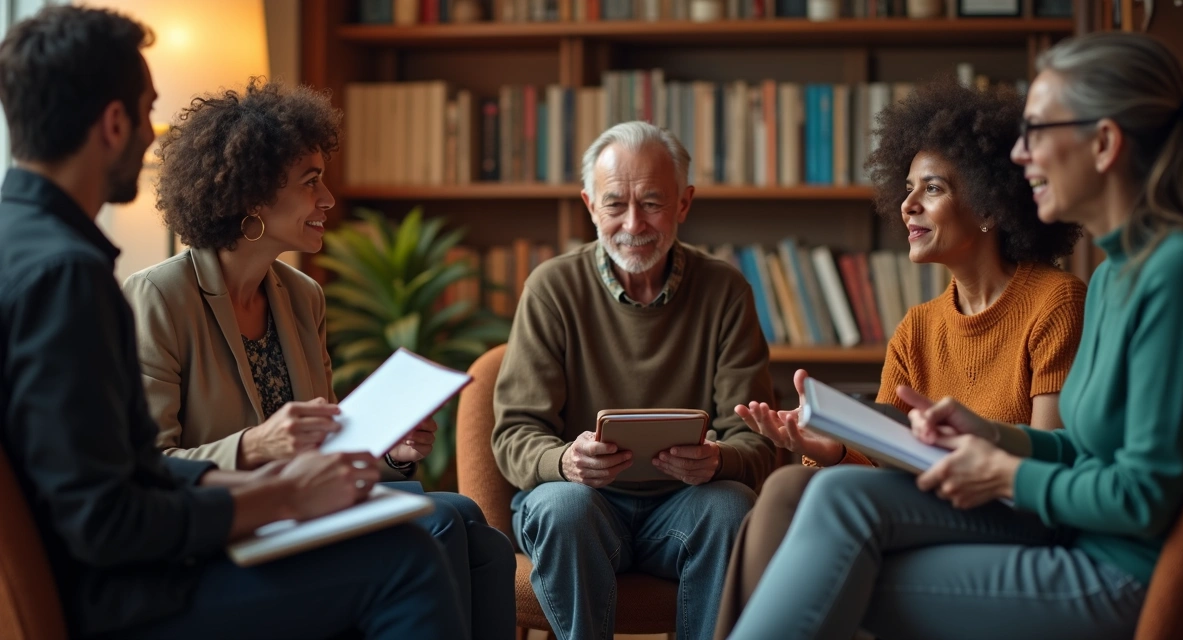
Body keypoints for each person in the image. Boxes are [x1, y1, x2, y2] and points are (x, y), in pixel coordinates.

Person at [728, 31, 1183, 640]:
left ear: (1104, 143)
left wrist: (1002, 472)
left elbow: (1141, 495)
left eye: (1038, 132)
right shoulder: (1119, 270)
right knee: (824, 504)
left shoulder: (1174, 273)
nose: (1020, 156)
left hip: (1111, 569)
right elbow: (1082, 451)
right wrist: (985, 432)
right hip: (1071, 532)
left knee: (832, 541)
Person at [0, 6, 467, 640]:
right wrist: (280, 496)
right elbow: (104, 520)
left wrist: (280, 484)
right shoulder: (68, 276)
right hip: (118, 595)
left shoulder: (21, 247)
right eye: (145, 113)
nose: (152, 136)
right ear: (113, 123)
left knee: (444, 528)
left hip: (119, 566)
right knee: (406, 560)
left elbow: (118, 470)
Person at [121, 79, 514, 639]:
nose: (328, 199)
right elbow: (152, 464)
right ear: (252, 197)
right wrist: (254, 447)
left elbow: (328, 447)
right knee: (443, 521)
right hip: (231, 528)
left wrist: (392, 453)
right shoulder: (159, 297)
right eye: (311, 183)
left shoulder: (301, 296)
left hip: (306, 510)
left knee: (479, 532)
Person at [714, 77, 1088, 638]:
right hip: (929, 503)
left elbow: (1048, 462)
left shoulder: (1054, 301)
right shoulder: (918, 327)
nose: (907, 205)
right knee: (788, 485)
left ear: (989, 203)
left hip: (1015, 508)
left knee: (791, 493)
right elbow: (881, 463)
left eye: (932, 188)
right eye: (907, 188)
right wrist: (832, 447)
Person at [492, 120, 777, 640]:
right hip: (584, 507)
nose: (632, 223)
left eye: (652, 202)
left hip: (685, 511)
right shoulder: (552, 288)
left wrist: (720, 459)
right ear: (588, 205)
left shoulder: (726, 290)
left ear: (684, 204)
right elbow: (513, 435)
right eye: (614, 204)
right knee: (564, 505)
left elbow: (757, 440)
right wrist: (564, 460)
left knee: (732, 505)